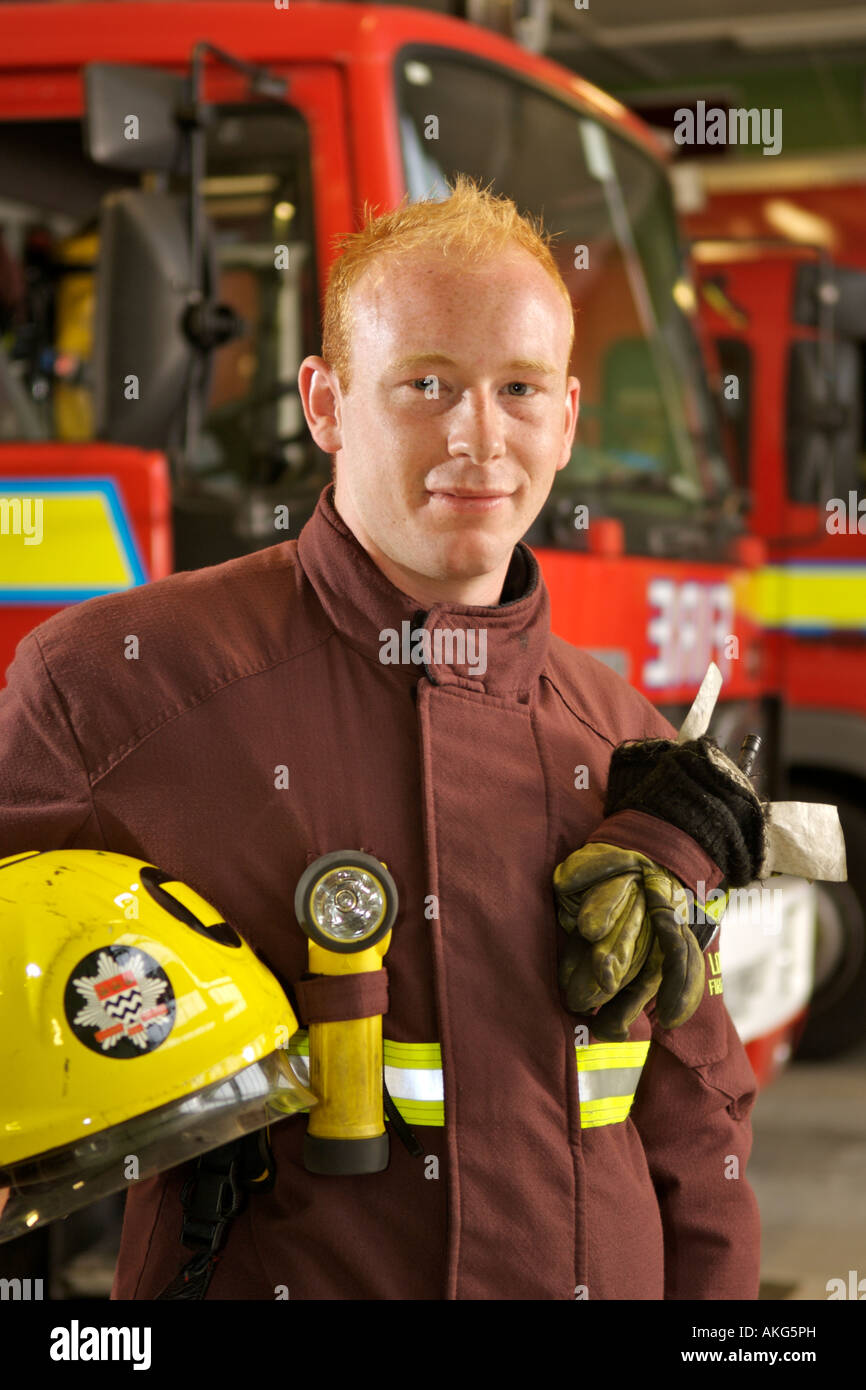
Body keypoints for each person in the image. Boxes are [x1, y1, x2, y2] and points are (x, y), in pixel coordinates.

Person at [0, 174, 760, 1300]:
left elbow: (699, 1128)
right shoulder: (119, 689)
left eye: (517, 387)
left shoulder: (625, 748)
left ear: (565, 416)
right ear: (324, 403)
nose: (476, 435)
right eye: (424, 384)